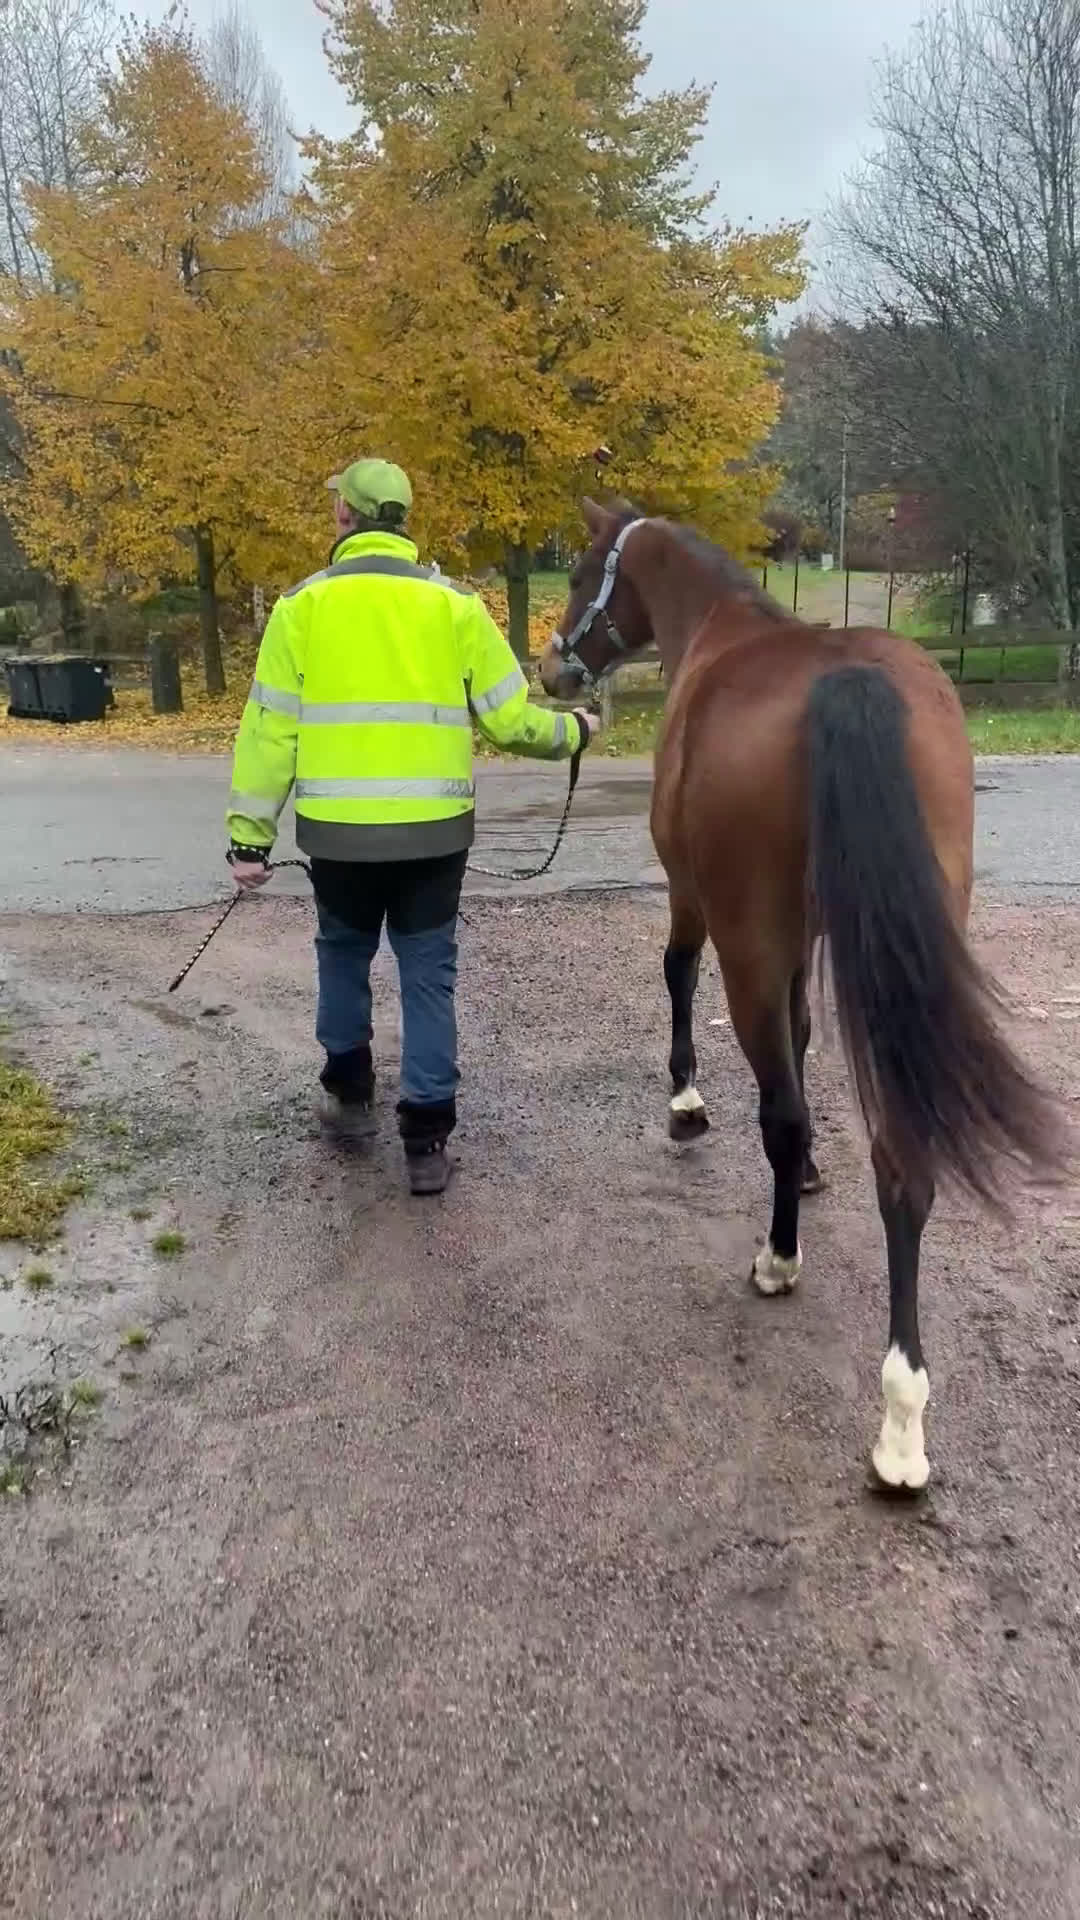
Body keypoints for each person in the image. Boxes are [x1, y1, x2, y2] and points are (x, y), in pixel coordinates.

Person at [226, 458, 596, 1194]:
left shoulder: (300, 609)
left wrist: (249, 836)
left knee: (341, 953)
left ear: (344, 518)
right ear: (401, 517)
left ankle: (349, 1095)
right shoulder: (456, 607)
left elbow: (269, 732)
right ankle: (426, 1141)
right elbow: (511, 721)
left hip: (337, 836)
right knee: (428, 974)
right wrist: (575, 733)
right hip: (434, 835)